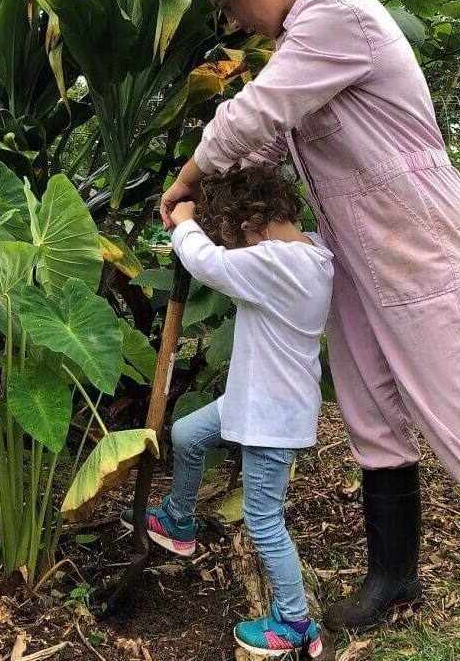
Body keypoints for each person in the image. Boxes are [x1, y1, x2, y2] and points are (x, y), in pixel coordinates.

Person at [157, 0, 460, 660]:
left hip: (418, 247)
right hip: (355, 253)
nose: (234, 21)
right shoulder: (305, 41)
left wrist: (186, 178)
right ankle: (391, 577)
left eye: (227, 2)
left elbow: (255, 114)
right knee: (371, 416)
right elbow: (271, 137)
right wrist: (215, 198)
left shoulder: (338, 15)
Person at [124, 166, 334, 657]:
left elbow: (208, 264)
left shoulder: (280, 264)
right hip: (251, 396)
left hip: (271, 416)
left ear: (248, 230)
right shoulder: (314, 253)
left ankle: (294, 622)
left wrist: (186, 220)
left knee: (263, 519)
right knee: (188, 433)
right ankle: (178, 522)